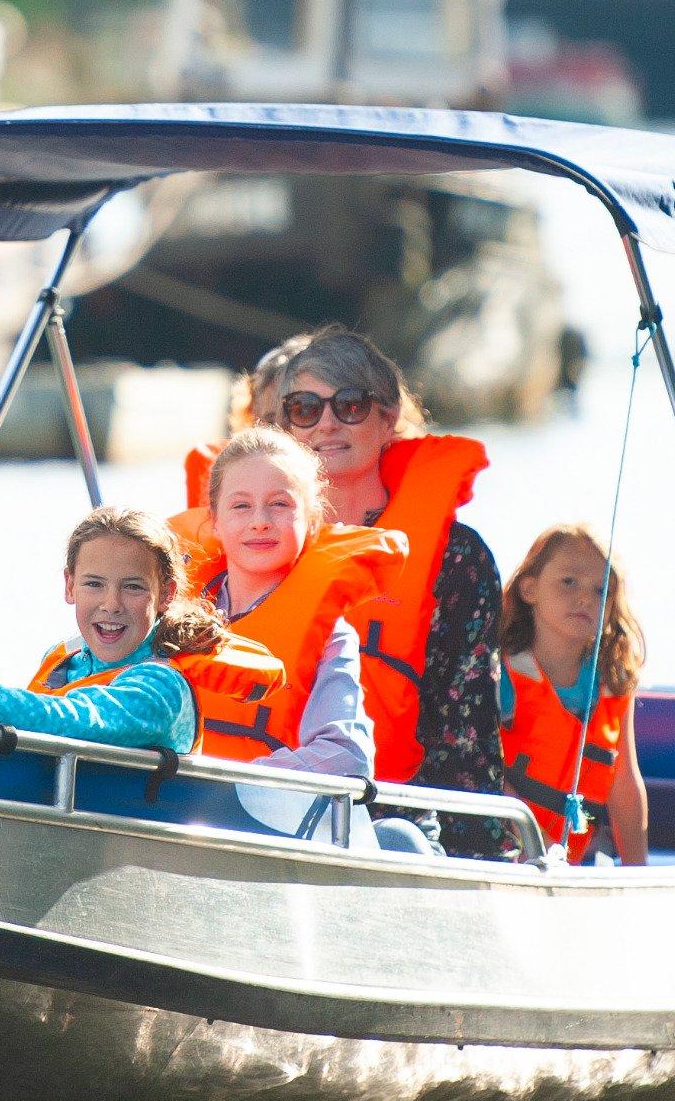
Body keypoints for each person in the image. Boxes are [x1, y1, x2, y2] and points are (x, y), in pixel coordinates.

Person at [185, 329, 505, 851]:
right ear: (285, 425)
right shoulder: (259, 543)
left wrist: (477, 855)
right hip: (251, 810)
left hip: (394, 813)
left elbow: (465, 727)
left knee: (402, 839)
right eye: (305, 409)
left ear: (387, 417)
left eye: (351, 405)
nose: (327, 423)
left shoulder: (457, 557)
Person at [0, 508, 282, 753]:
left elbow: (77, 719)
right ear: (69, 586)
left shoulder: (161, 688)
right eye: (93, 584)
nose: (111, 604)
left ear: (167, 594)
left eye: (133, 587)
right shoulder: (64, 660)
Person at [179, 426, 393, 778]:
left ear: (312, 522)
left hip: (255, 807)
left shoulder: (331, 637)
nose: (260, 522)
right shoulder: (168, 615)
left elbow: (347, 757)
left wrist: (235, 782)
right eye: (241, 506)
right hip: (161, 801)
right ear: (215, 521)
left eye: (280, 504)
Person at [496, 523, 649, 866]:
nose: (585, 598)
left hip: (565, 870)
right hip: (501, 860)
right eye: (568, 582)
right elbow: (482, 771)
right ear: (529, 589)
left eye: (601, 589)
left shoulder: (613, 682)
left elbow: (625, 784)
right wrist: (538, 845)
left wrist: (638, 872)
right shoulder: (500, 673)